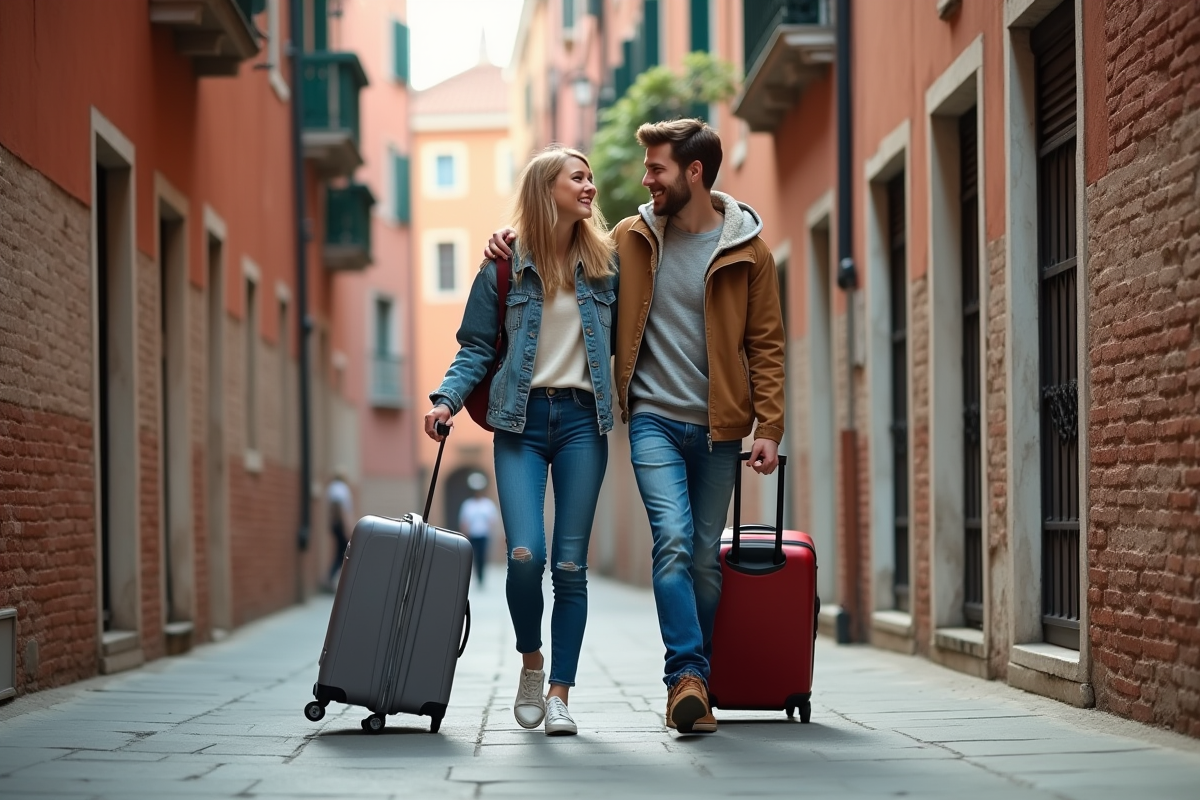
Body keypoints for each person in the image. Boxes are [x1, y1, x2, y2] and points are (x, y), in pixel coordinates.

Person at [486, 119, 785, 735]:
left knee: (704, 560)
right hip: (650, 417)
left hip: (721, 426)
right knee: (672, 540)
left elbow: (767, 345)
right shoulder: (631, 238)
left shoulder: (749, 251)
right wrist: (511, 239)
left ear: (694, 173)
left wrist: (770, 426)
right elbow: (557, 249)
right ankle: (685, 678)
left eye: (656, 169)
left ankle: (696, 676)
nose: (645, 180)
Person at [424, 145, 618, 737]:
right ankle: (531, 662)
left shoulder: (608, 264)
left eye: (590, 178)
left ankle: (560, 694)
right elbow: (476, 348)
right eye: (577, 178)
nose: (589, 187)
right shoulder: (503, 268)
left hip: (583, 421)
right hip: (520, 423)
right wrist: (446, 399)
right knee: (525, 555)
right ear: (545, 189)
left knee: (570, 564)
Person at [458, 472, 499, 587]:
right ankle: (475, 576)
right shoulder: (468, 504)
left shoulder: (488, 504)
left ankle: (481, 577)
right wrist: (464, 534)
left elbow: (492, 520)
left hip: (484, 535)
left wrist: (491, 531)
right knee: (473, 557)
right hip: (472, 534)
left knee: (482, 556)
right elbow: (464, 521)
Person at [325, 467, 354, 591]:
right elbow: (340, 508)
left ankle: (332, 578)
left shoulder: (332, 488)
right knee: (343, 552)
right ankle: (332, 579)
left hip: (336, 524)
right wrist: (347, 527)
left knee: (340, 552)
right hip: (340, 524)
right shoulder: (340, 488)